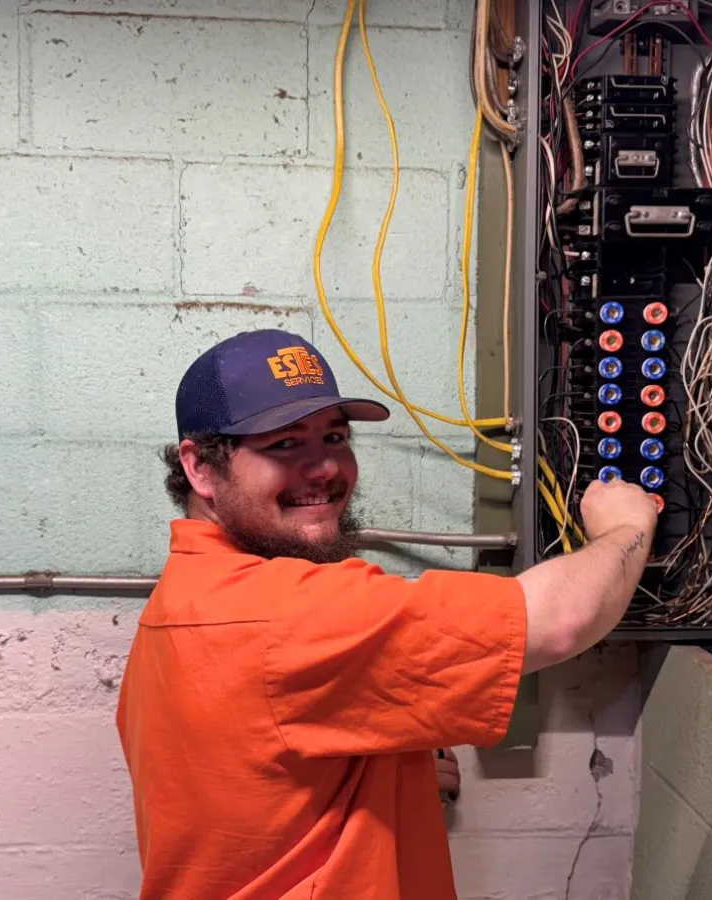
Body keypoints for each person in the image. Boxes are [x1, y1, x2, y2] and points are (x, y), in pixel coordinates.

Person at [116, 328, 659, 899]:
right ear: (200, 467)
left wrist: (389, 775)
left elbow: (259, 781)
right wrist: (627, 525)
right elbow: (562, 619)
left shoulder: (180, 604)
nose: (324, 467)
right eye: (283, 445)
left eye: (335, 436)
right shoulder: (286, 614)